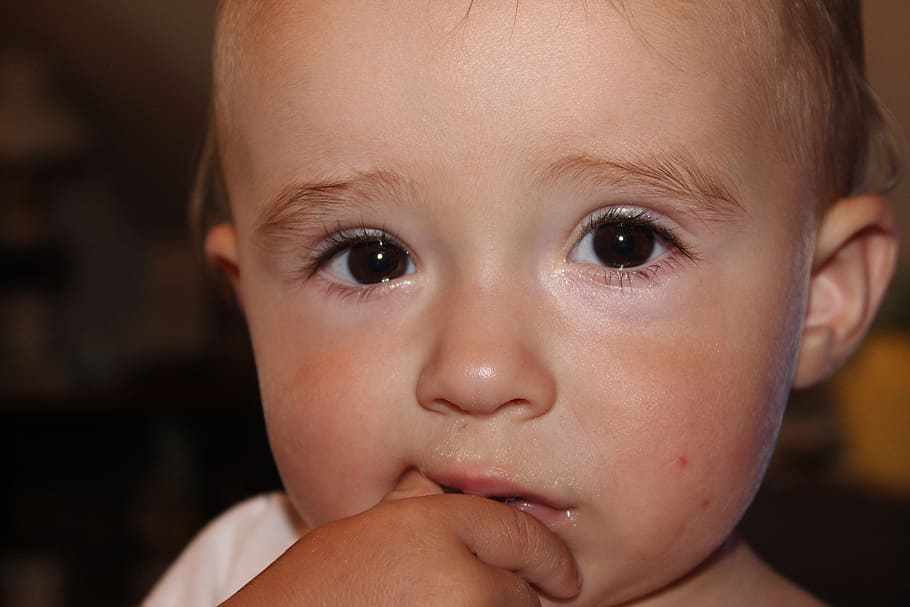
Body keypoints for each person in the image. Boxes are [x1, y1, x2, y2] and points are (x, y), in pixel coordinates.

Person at [144, 1, 900, 605]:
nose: (476, 370)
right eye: (372, 259)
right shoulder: (244, 575)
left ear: (820, 296)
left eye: (621, 244)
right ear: (251, 310)